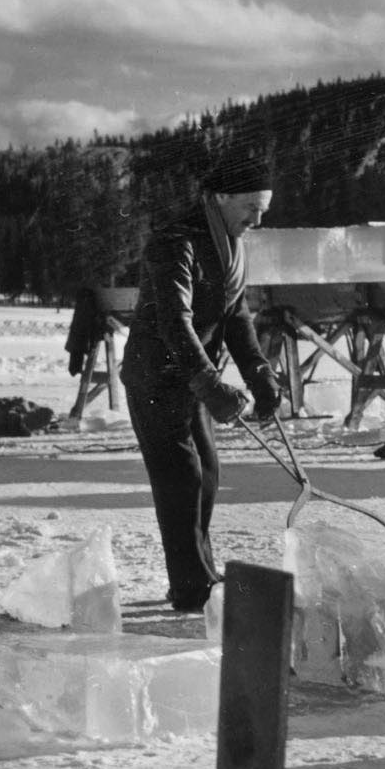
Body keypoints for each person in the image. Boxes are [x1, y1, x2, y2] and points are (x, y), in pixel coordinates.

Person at [120, 152, 284, 613]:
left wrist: (260, 373)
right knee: (182, 477)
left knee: (207, 474)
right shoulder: (176, 241)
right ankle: (191, 586)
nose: (257, 219)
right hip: (157, 375)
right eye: (251, 207)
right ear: (221, 197)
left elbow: (235, 315)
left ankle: (201, 575)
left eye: (263, 210)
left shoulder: (230, 243)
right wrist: (211, 384)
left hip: (192, 378)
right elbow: (176, 320)